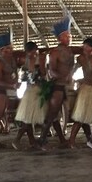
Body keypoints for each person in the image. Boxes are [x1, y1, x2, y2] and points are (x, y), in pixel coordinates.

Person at [38, 17, 75, 149]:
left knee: (57, 115)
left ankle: (61, 139)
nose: (69, 38)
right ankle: (42, 140)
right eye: (66, 36)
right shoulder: (54, 52)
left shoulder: (70, 51)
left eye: (70, 35)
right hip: (57, 86)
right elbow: (52, 71)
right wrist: (63, 77)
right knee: (52, 114)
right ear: (60, 38)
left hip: (66, 86)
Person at [68, 37, 92, 148]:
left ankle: (91, 138)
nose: (84, 48)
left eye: (86, 46)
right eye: (83, 46)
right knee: (81, 116)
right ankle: (71, 140)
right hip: (86, 89)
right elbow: (72, 71)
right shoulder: (81, 58)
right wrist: (73, 80)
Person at [12, 41, 46, 149]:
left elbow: (44, 73)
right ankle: (17, 140)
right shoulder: (25, 61)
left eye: (33, 52)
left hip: (37, 90)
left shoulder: (38, 59)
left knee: (30, 119)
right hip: (31, 91)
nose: (32, 54)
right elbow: (43, 73)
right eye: (29, 52)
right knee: (28, 119)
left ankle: (33, 141)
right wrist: (17, 80)